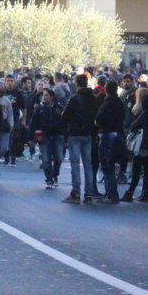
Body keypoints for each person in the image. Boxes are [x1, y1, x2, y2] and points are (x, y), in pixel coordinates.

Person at [61, 73, 101, 203]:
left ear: (77, 84)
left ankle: (76, 193)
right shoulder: (94, 99)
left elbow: (65, 116)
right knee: (88, 164)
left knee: (75, 164)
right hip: (88, 134)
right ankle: (88, 194)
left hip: (75, 134)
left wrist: (70, 126)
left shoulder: (74, 99)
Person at [122, 89, 148, 201]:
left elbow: (134, 125)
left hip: (143, 144)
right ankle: (146, 193)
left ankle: (130, 192)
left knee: (136, 169)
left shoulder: (145, 114)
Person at [95, 80, 127, 203]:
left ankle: (111, 194)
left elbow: (98, 119)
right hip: (118, 134)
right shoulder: (120, 103)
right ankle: (112, 194)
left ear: (106, 90)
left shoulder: (107, 104)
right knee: (112, 165)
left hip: (107, 134)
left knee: (107, 166)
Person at [29, 88, 65, 189]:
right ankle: (49, 179)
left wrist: (66, 138)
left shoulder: (59, 108)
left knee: (59, 158)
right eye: (43, 95)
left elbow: (64, 123)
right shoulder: (39, 108)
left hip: (58, 135)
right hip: (44, 136)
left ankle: (55, 174)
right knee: (45, 159)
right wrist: (31, 138)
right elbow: (33, 123)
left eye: (46, 95)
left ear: (52, 97)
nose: (44, 97)